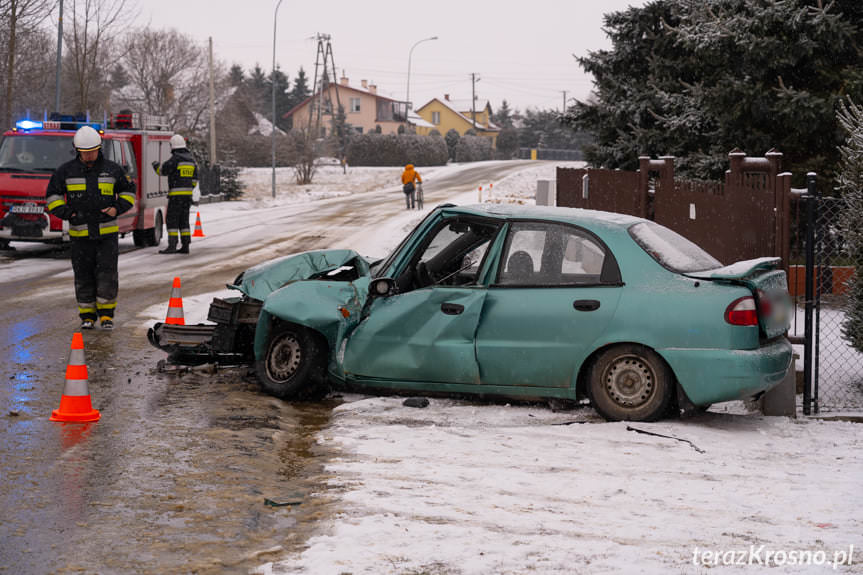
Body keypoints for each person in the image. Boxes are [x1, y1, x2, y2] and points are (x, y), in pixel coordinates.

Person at [45, 126, 136, 330]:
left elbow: (129, 192)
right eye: (85, 152)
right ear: (77, 150)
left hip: (107, 236)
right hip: (80, 236)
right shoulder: (65, 171)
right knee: (83, 274)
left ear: (99, 148)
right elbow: (52, 196)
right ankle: (87, 315)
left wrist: (116, 208)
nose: (88, 156)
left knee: (107, 274)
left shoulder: (113, 170)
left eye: (92, 152)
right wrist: (68, 213)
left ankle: (106, 315)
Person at [152, 134, 198, 254]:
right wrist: (187, 189)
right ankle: (185, 245)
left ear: (173, 146)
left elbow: (163, 171)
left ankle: (172, 245)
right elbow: (195, 180)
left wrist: (156, 166)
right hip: (187, 197)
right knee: (184, 221)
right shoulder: (191, 160)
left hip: (176, 197)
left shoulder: (175, 159)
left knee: (172, 220)